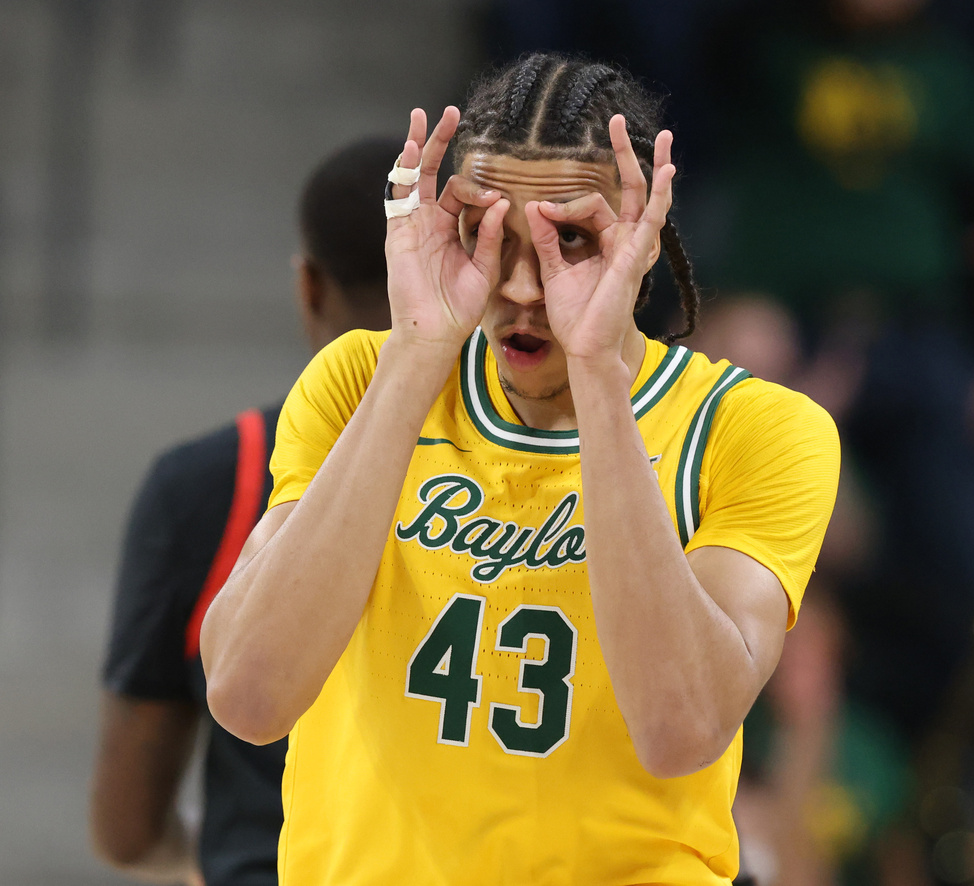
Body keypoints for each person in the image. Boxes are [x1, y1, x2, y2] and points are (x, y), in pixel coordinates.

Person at [201, 52, 841, 885]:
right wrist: (415, 355)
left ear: (645, 236)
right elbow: (249, 698)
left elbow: (682, 729)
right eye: (490, 232)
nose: (525, 284)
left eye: (570, 238)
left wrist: (599, 375)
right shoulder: (360, 381)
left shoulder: (756, 430)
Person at [89, 136, 401, 886]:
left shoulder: (212, 482)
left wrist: (212, 858)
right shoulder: (546, 480)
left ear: (309, 287)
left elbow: (127, 828)